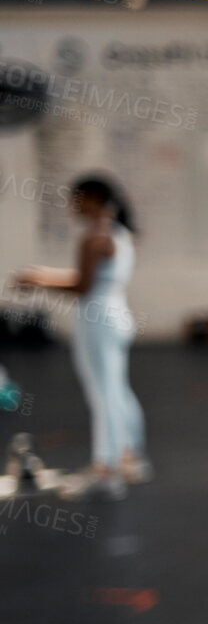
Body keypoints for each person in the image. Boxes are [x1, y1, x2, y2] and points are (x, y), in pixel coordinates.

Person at [10, 175, 150, 501]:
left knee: (103, 394)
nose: (72, 206)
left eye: (77, 199)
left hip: (97, 319)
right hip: (114, 313)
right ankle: (130, 456)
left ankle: (107, 468)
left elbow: (82, 286)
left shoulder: (93, 238)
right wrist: (44, 275)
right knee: (116, 390)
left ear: (93, 199)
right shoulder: (117, 233)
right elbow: (91, 280)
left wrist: (38, 282)